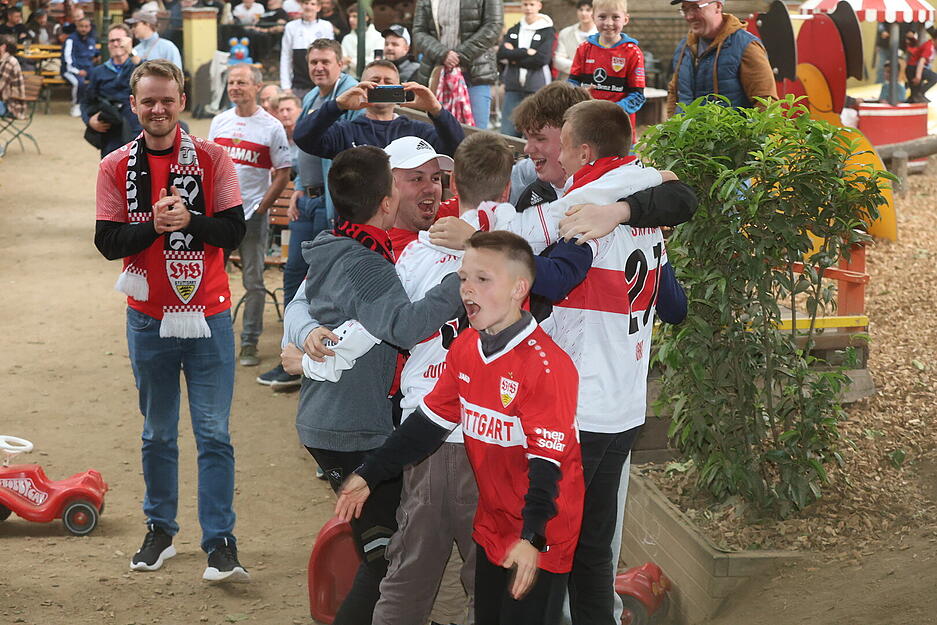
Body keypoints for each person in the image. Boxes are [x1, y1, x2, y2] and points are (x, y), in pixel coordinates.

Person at [334, 229, 584, 625]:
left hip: (540, 536)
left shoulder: (547, 368)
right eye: (464, 278)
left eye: (483, 280)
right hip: (492, 526)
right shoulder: (467, 347)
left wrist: (531, 537)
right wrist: (370, 473)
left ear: (520, 288)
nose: (468, 290)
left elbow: (547, 466)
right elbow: (428, 425)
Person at [280, 145, 465, 625]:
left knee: (390, 552)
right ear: (387, 197)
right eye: (411, 179)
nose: (430, 189)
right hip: (356, 428)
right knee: (387, 561)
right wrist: (465, 279)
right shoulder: (370, 258)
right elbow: (403, 326)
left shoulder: (341, 240)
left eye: (436, 178)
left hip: (348, 422)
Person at [93, 59, 249, 583]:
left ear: (181, 99)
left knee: (214, 433)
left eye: (167, 100)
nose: (158, 110)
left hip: (209, 315)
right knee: (157, 434)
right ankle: (160, 529)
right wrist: (154, 227)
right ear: (133, 105)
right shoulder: (116, 164)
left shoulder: (212, 158)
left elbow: (233, 232)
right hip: (147, 318)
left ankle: (220, 541)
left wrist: (191, 222)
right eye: (147, 101)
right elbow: (107, 241)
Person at [553, 98, 687, 625]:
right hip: (627, 403)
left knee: (557, 540)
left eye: (562, 142)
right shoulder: (642, 188)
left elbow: (542, 284)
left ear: (584, 150)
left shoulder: (584, 201)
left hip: (582, 405)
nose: (557, 154)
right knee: (595, 543)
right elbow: (676, 306)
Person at [256, 37, 358, 389]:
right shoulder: (313, 97)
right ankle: (291, 355)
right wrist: (301, 184)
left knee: (316, 285)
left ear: (340, 63)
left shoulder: (351, 97)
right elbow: (307, 148)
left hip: (333, 206)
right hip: (309, 199)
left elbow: (349, 153)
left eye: (325, 62)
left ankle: (311, 361)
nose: (318, 67)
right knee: (293, 275)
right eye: (313, 62)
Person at [209, 63, 292, 367]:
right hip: (219, 215)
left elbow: (283, 174)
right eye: (231, 82)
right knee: (209, 277)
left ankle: (249, 342)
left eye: (241, 82)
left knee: (253, 282)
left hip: (252, 216)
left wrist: (261, 207)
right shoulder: (219, 122)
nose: (235, 88)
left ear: (256, 87)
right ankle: (209, 338)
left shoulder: (271, 126)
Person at [294, 59, 464, 165]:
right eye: (374, 81)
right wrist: (337, 105)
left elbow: (456, 149)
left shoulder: (418, 132)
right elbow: (303, 137)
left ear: (400, 88)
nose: (381, 85)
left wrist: (436, 110)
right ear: (361, 86)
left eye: (388, 82)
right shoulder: (345, 131)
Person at [666, 0, 777, 116]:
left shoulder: (745, 46)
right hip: (687, 134)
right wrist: (671, 129)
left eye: (695, 7)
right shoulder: (684, 48)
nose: (689, 16)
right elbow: (674, 93)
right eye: (685, 9)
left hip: (732, 134)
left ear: (718, 6)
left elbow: (766, 103)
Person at [411, 0, 503, 129]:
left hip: (475, 72)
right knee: (435, 130)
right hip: (437, 72)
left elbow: (494, 26)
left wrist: (458, 56)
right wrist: (442, 54)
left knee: (475, 132)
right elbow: (418, 32)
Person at [568, 0, 645, 133]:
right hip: (586, 123)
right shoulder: (584, 49)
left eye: (615, 17)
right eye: (602, 17)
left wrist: (610, 110)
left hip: (619, 127)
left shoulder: (633, 52)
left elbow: (638, 96)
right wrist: (578, 93)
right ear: (593, 18)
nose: (608, 23)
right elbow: (571, 83)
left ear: (625, 19)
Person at [82, 23, 143, 158]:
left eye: (120, 40)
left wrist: (132, 52)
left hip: (137, 132)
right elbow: (86, 102)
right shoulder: (99, 72)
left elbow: (149, 74)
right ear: (108, 44)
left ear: (128, 42)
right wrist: (90, 121)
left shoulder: (138, 68)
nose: (116, 44)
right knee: (112, 176)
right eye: (112, 41)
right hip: (111, 136)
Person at [497, 0, 555, 138]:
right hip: (513, 87)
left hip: (536, 88)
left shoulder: (547, 30)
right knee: (508, 133)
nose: (528, 8)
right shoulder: (514, 29)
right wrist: (525, 51)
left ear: (539, 6)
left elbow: (541, 59)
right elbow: (501, 54)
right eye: (525, 4)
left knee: (534, 132)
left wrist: (514, 57)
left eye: (532, 4)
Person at [279, 0, 333, 99]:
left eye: (312, 4)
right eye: (306, 3)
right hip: (298, 86)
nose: (309, 7)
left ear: (318, 7)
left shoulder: (326, 26)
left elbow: (331, 56)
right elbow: (286, 56)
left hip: (321, 85)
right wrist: (286, 86)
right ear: (301, 5)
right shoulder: (291, 27)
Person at [62, 16, 98, 117]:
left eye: (86, 26)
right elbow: (67, 58)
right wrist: (77, 71)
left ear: (90, 27)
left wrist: (96, 56)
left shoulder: (91, 39)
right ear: (77, 27)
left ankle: (92, 105)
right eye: (81, 26)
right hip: (70, 70)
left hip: (88, 69)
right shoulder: (71, 39)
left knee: (98, 79)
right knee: (79, 82)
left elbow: (94, 53)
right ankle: (76, 105)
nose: (84, 29)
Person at [554, 0, 596, 81]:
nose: (583, 13)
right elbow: (557, 60)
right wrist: (582, 67)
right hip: (568, 82)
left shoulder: (602, 35)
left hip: (592, 82)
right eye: (581, 9)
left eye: (588, 10)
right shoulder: (565, 32)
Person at [340, 3, 384, 77]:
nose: (350, 20)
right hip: (350, 79)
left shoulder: (378, 37)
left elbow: (375, 62)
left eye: (355, 16)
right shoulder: (347, 38)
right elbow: (342, 63)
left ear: (366, 17)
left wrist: (350, 60)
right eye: (350, 16)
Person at [903, 29, 937, 103]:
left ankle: (916, 95)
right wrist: (918, 76)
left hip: (916, 68)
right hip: (913, 69)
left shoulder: (933, 47)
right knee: (934, 77)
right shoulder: (929, 47)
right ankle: (919, 93)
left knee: (913, 96)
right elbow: (921, 62)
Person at [0, 33, 26, 121]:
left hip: (11, 107)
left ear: (3, 47)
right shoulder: (4, 61)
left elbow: (1, 86)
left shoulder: (9, 62)